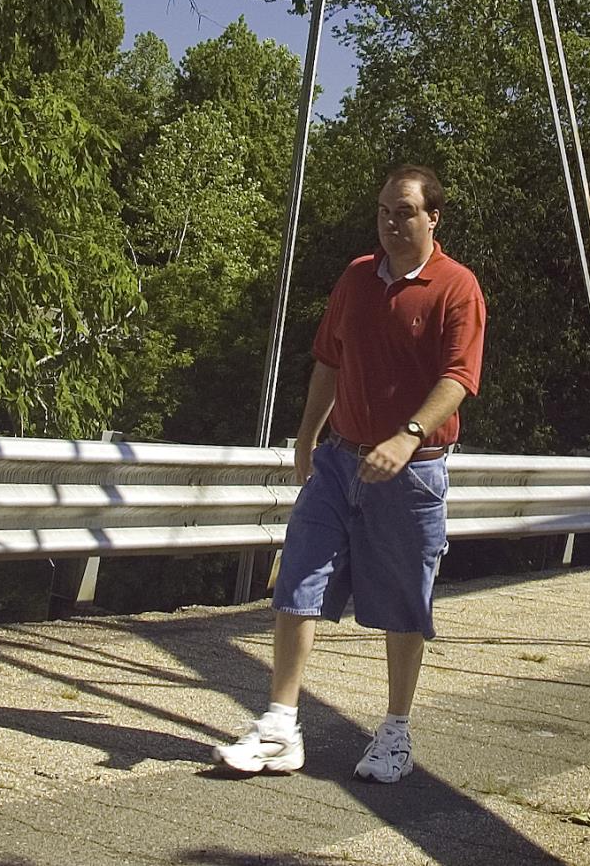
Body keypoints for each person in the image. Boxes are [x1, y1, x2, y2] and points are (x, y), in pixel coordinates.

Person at [214, 165, 486, 785]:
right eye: (386, 211)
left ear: (432, 218)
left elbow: (459, 379)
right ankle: (281, 725)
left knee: (401, 605)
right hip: (339, 460)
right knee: (298, 581)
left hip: (412, 471)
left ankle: (395, 731)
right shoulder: (357, 278)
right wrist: (307, 438)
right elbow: (329, 362)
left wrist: (407, 435)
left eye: (406, 213)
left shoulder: (455, 287)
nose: (393, 223)